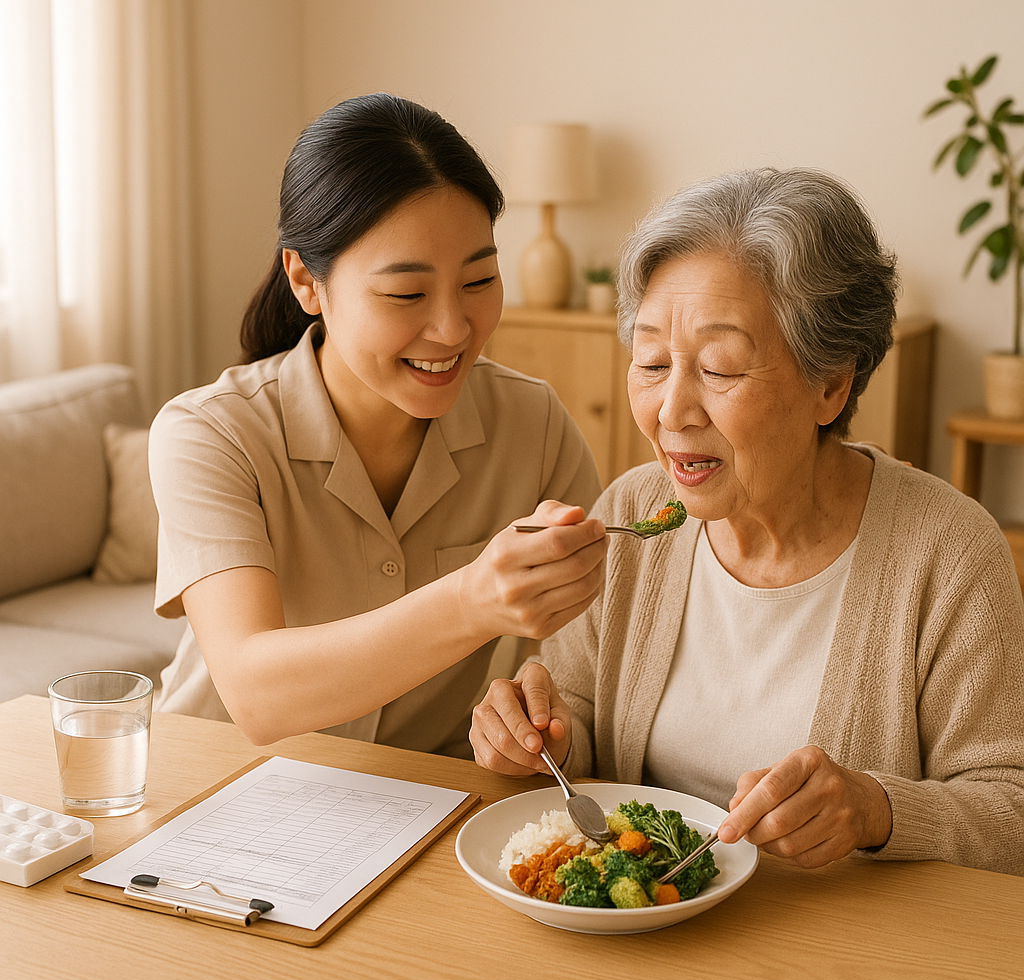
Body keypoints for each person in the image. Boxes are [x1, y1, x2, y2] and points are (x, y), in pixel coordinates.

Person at [470, 167, 1024, 875]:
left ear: (831, 384)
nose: (671, 411)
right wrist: (535, 734)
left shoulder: (947, 551)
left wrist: (875, 810)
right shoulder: (633, 516)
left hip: (846, 961)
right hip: (644, 934)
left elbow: (1011, 812)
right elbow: (574, 713)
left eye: (721, 369)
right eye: (649, 362)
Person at [148, 93, 608, 754]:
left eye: (479, 280)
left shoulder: (533, 426)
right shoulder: (210, 434)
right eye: (406, 294)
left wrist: (542, 728)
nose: (453, 329)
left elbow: (579, 677)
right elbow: (256, 692)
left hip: (425, 810)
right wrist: (471, 601)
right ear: (306, 280)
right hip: (219, 793)